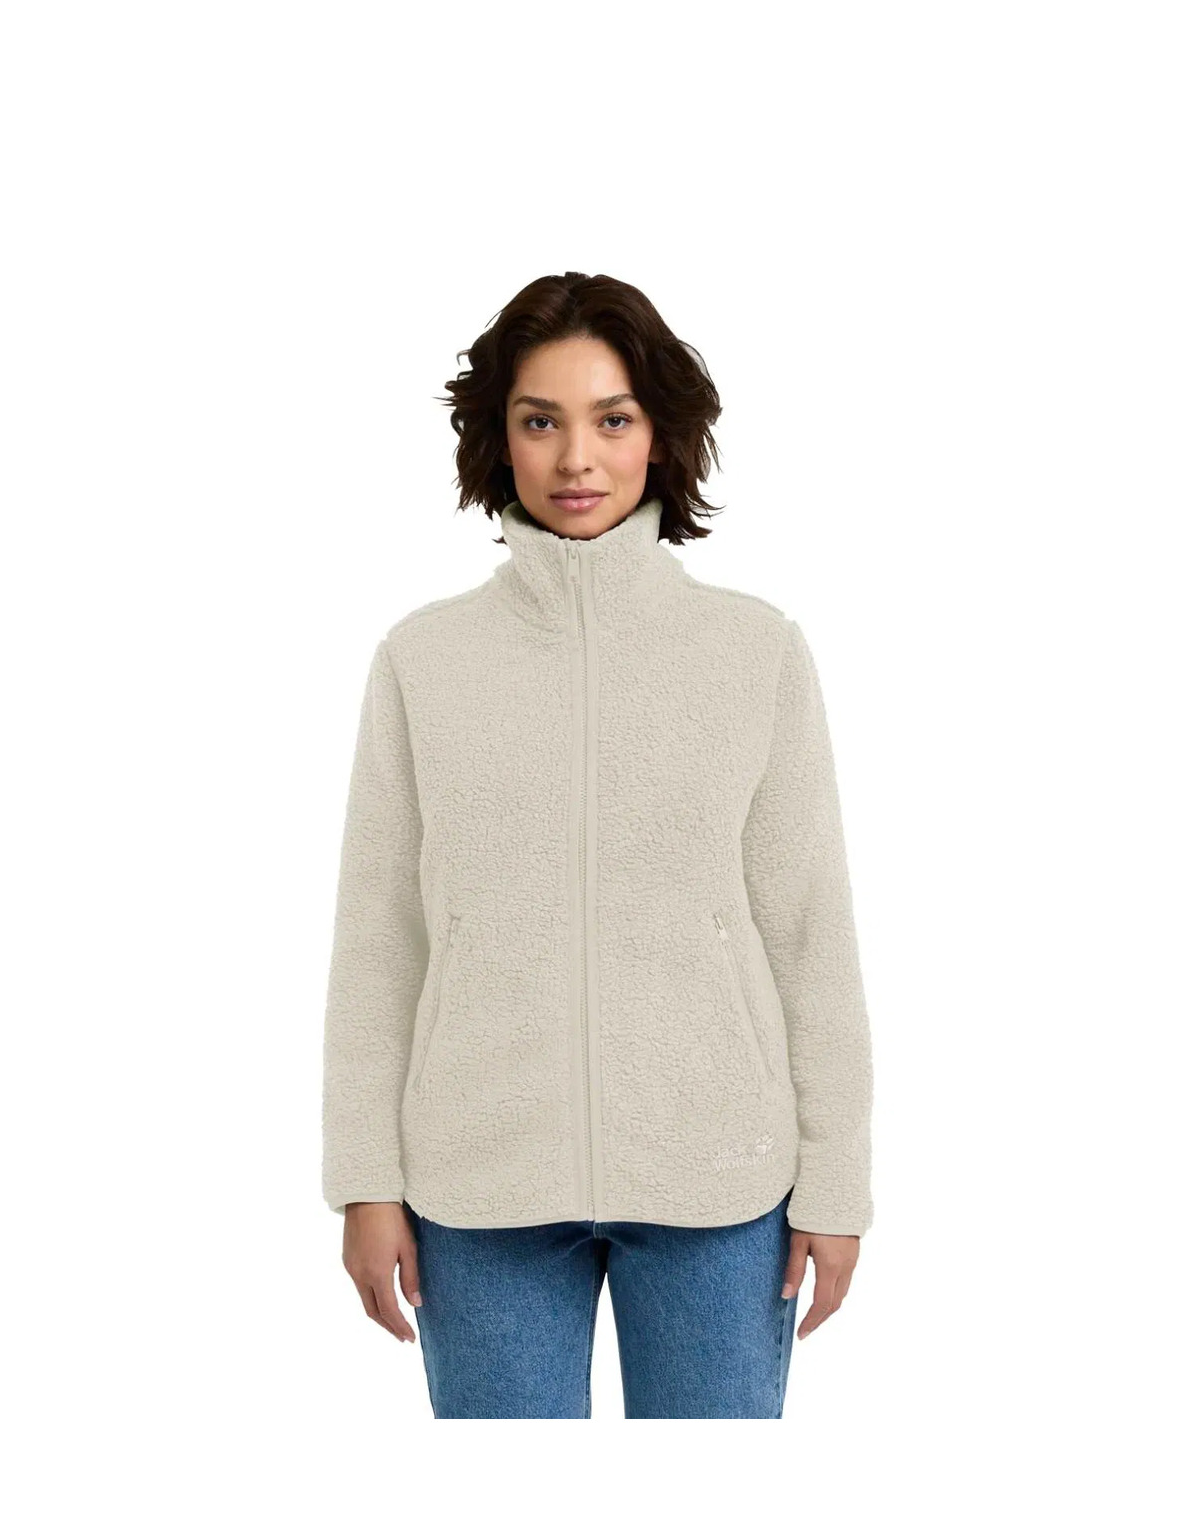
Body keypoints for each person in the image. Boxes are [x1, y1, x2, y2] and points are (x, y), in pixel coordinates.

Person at [321, 271, 874, 1418]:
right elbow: (380, 941)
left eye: (611, 419)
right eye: (542, 421)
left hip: (719, 1183)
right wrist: (364, 1181)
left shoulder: (754, 652)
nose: (577, 458)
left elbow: (808, 931)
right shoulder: (425, 661)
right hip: (479, 1184)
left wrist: (838, 1183)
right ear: (500, 438)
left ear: (659, 434)